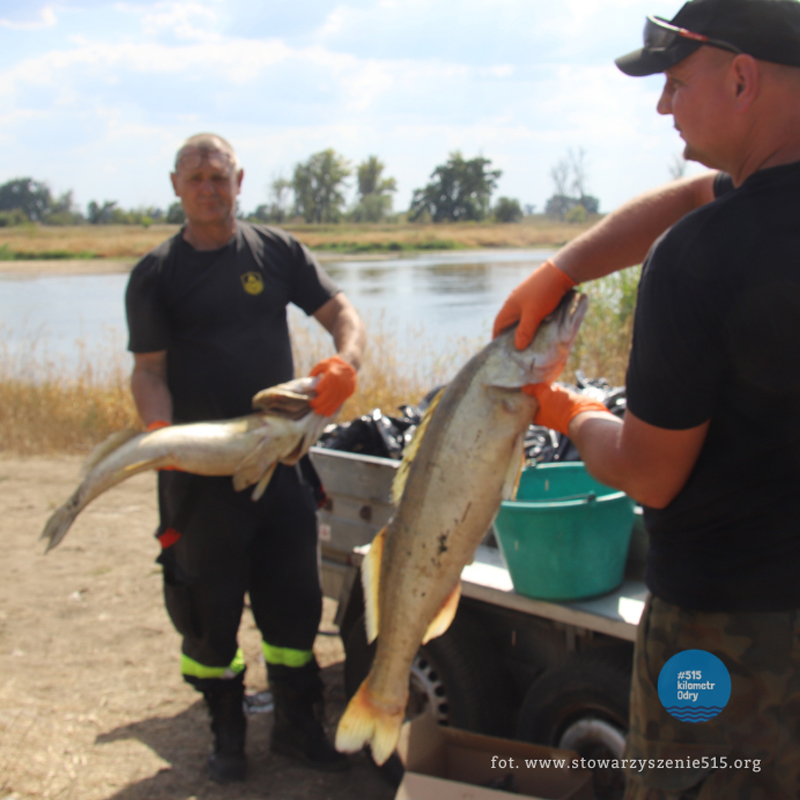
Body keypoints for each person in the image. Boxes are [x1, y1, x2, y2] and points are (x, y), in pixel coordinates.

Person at [494, 0, 800, 796]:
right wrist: (564, 271)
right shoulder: (731, 219)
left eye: (674, 82)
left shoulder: (697, 261)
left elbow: (651, 473)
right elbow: (709, 195)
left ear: (740, 78)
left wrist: (572, 414)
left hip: (726, 636)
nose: (662, 105)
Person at [125, 133, 366, 783]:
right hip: (199, 473)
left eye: (219, 175)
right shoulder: (155, 274)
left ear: (240, 180)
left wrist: (344, 363)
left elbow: (342, 310)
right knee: (208, 611)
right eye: (196, 177)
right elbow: (149, 371)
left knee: (294, 603)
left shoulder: (277, 252)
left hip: (280, 460)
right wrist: (160, 435)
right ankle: (226, 733)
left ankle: (297, 729)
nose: (209, 187)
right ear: (176, 185)